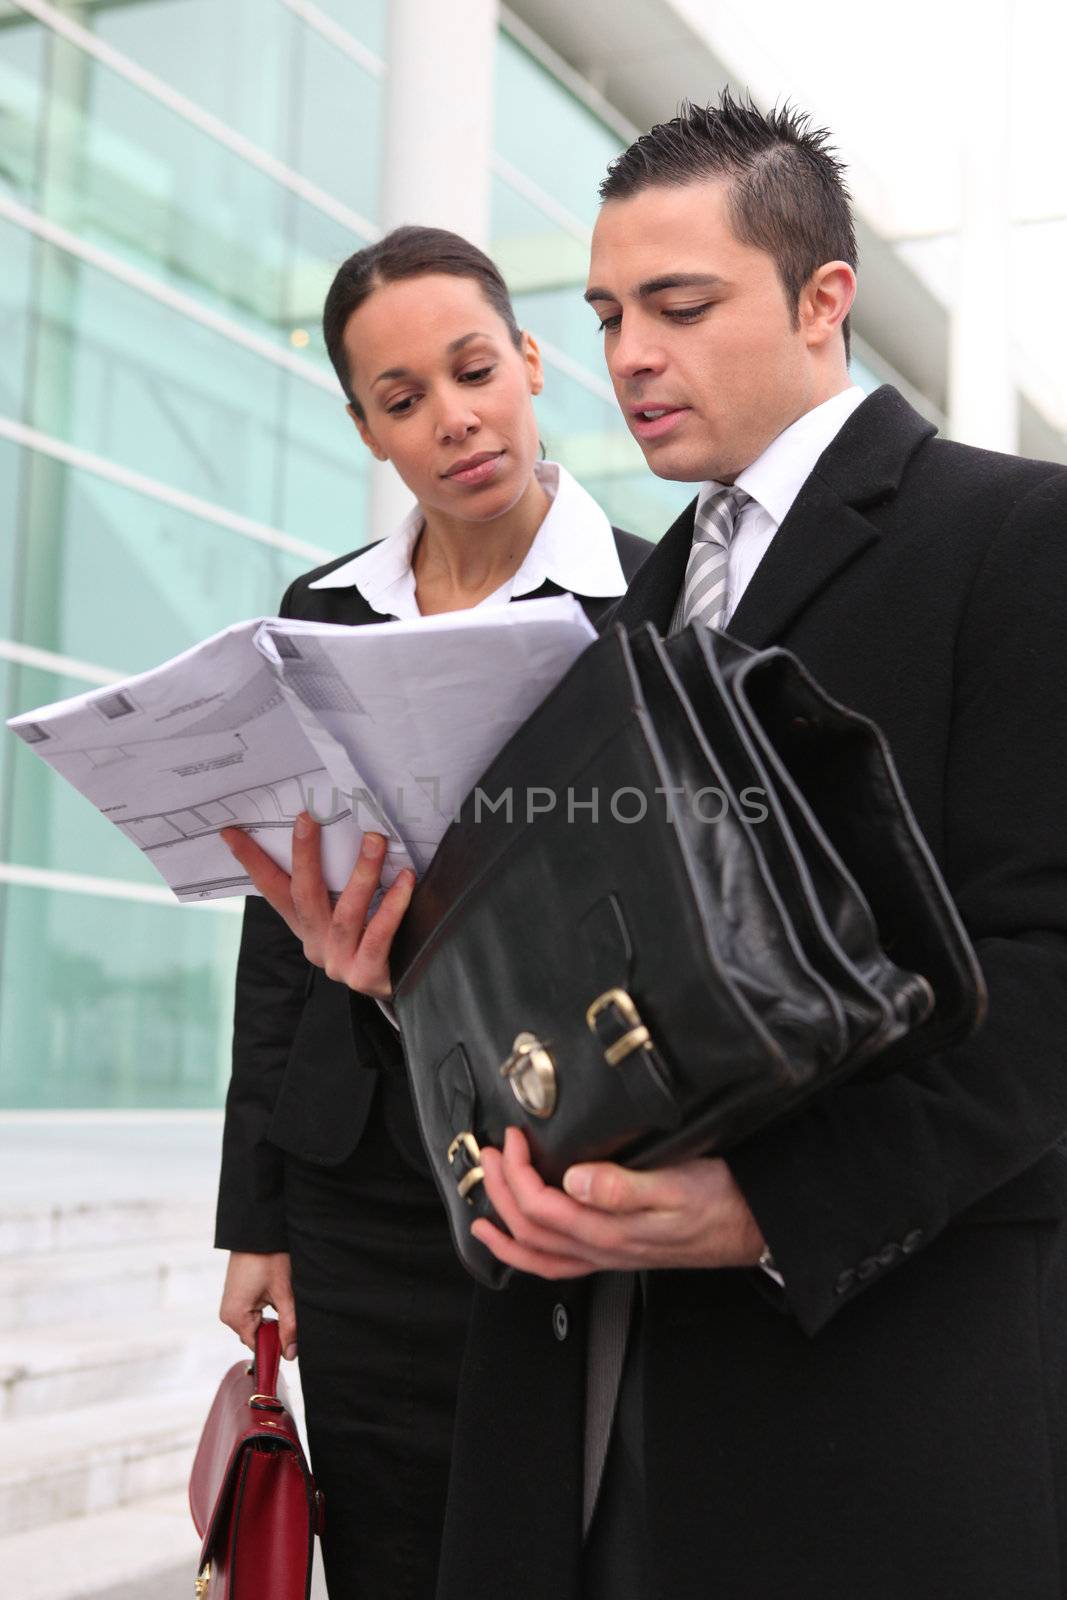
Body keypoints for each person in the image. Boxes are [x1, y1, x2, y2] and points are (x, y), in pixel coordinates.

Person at [425, 95, 1067, 1599]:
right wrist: (395, 950)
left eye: (679, 304)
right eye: (604, 313)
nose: (628, 353)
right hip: (578, 1382)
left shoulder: (1020, 540)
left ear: (824, 299)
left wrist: (775, 1209)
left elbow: (1054, 976)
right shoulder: (627, 619)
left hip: (872, 1385)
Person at [213, 224, 650, 1600]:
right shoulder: (323, 611)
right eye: (404, 400)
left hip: (561, 1158)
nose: (454, 418)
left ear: (529, 362)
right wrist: (255, 1212)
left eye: (474, 370)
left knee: (555, 1543)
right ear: (368, 430)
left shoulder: (653, 599)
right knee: (390, 1542)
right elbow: (278, 939)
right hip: (355, 1182)